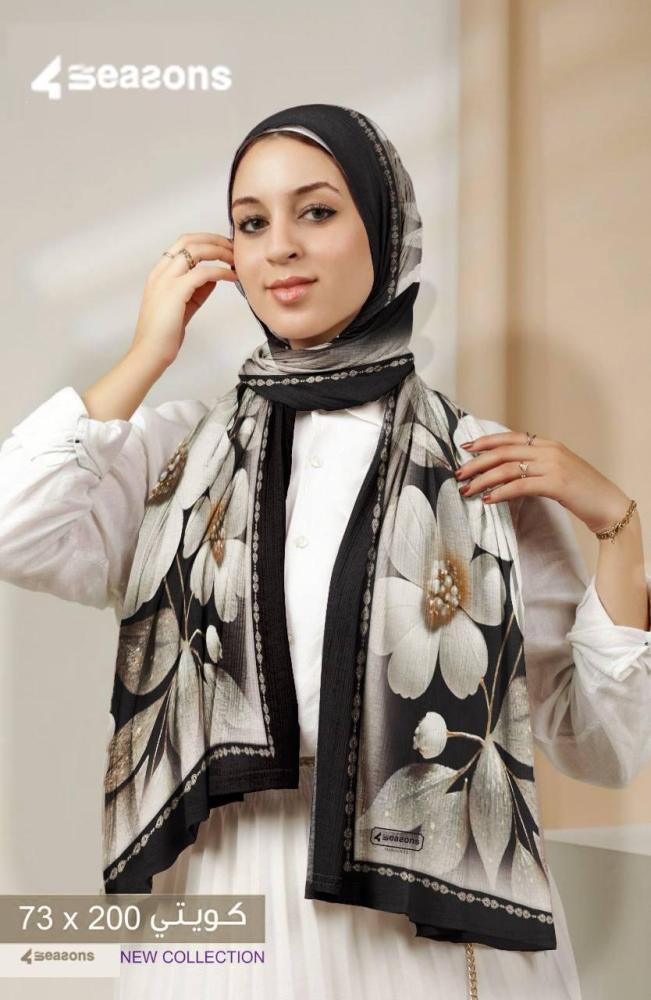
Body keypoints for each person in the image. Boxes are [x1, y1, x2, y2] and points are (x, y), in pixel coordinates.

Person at [0, 103, 650, 1000]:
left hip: (426, 926)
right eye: (250, 222)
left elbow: (601, 748)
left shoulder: (478, 461)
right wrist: (148, 352)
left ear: (382, 229)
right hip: (230, 892)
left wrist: (618, 530)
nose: (280, 247)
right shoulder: (176, 457)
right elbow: (15, 527)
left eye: (316, 211)